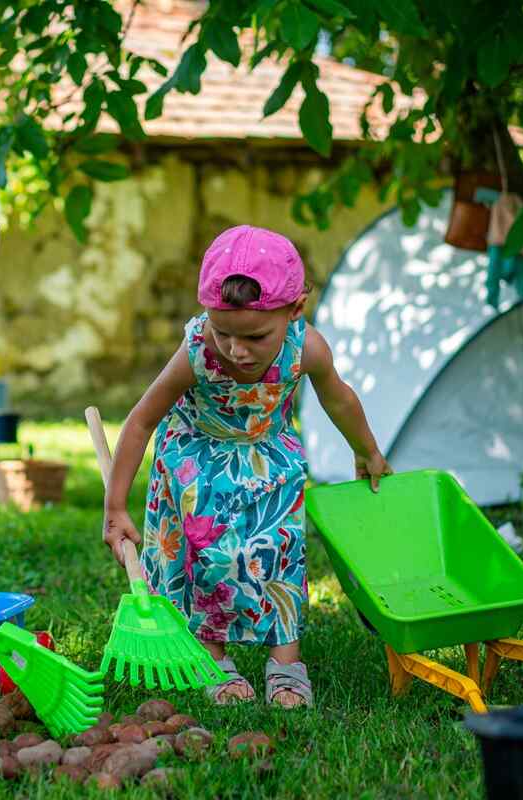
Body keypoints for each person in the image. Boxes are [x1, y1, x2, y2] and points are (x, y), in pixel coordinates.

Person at [102, 225, 391, 708]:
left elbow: (338, 398)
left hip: (269, 459)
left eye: (255, 336)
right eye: (224, 333)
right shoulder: (196, 352)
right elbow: (140, 422)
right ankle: (214, 655)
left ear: (295, 310)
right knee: (208, 561)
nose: (236, 350)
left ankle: (286, 661)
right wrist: (115, 505)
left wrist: (367, 450)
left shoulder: (307, 347)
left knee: (280, 552)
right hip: (199, 464)